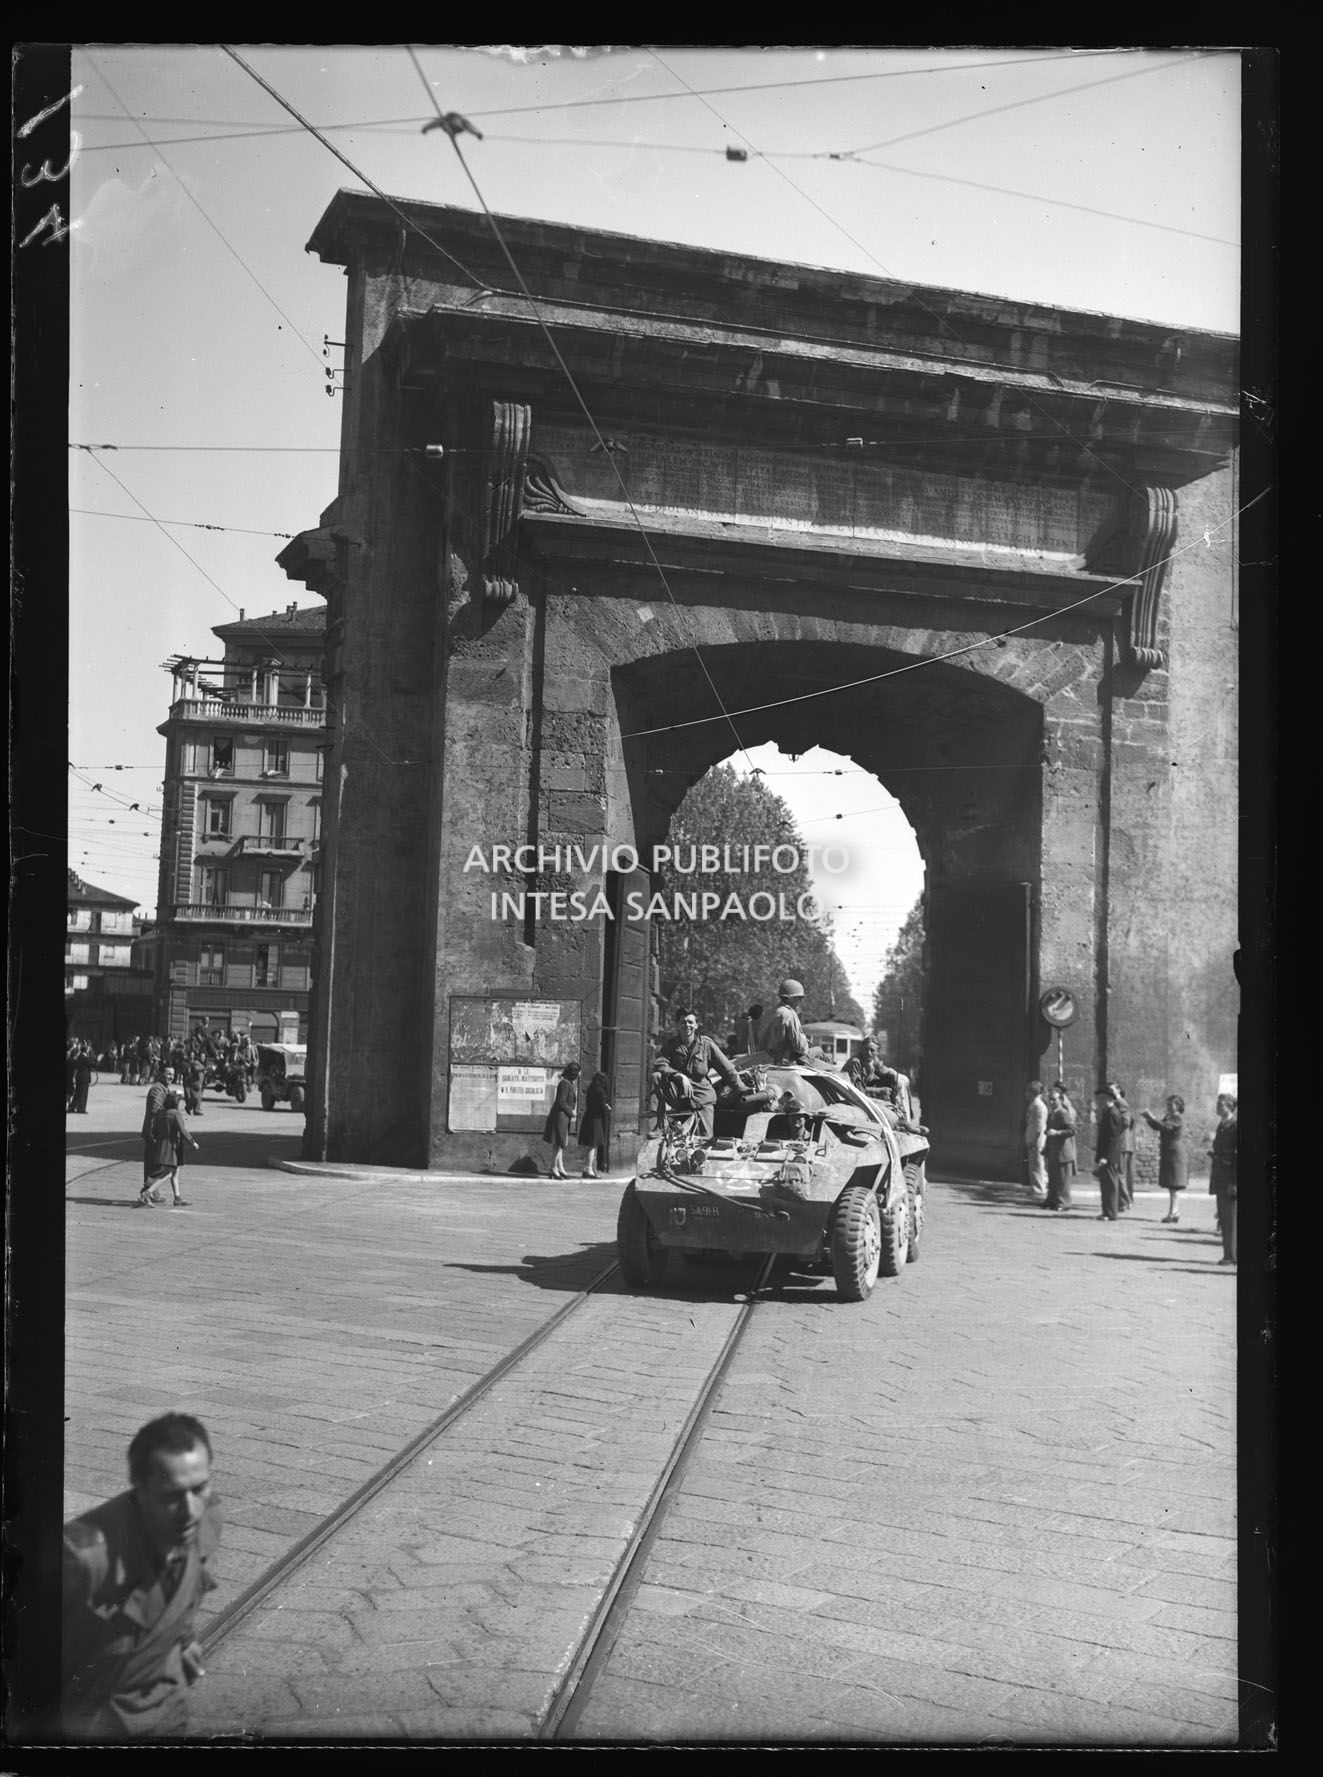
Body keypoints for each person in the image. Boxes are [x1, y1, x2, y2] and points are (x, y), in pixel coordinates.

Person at [62, 1412, 221, 1740]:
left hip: (168, 1707)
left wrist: (182, 1637)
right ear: (140, 1489)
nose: (190, 1511)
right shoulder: (82, 1559)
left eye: (200, 1488)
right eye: (171, 1496)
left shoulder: (208, 1516)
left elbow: (188, 1583)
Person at [655, 1012, 743, 1139]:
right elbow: (659, 1063)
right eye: (683, 1022)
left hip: (702, 1098)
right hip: (680, 1097)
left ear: (696, 1025)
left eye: (690, 1022)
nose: (687, 1025)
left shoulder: (706, 1044)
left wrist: (742, 1088)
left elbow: (727, 1070)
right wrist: (678, 1075)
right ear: (678, 1025)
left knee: (704, 1140)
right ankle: (659, 1123)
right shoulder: (671, 1045)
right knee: (657, 1076)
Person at [143, 1091, 198, 1207]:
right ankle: (147, 1193)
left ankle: (177, 1198)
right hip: (172, 1147)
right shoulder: (176, 1114)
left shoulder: (161, 1113)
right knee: (168, 1173)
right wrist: (192, 1142)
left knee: (175, 1172)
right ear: (176, 1103)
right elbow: (182, 1130)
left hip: (161, 1146)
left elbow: (155, 1131)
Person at [1142, 1094, 1188, 1223]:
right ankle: (1174, 1212)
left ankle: (1173, 1213)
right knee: (1172, 1185)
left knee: (1174, 1185)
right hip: (1169, 1152)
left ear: (1177, 1106)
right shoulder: (1169, 1117)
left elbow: (1165, 1127)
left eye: (1170, 1104)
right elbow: (1158, 1126)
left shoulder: (1177, 1118)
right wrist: (1148, 1119)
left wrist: (1151, 1117)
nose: (1168, 1106)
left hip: (1175, 1153)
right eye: (1167, 1104)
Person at [1208, 1092, 1237, 1265]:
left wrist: (1234, 1181)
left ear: (1229, 1107)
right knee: (1224, 1217)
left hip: (1229, 1178)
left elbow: (1237, 1156)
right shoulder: (1223, 1124)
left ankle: (1231, 1256)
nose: (1217, 1107)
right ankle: (1228, 1254)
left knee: (1230, 1218)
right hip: (1220, 1175)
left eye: (1220, 1105)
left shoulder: (1234, 1126)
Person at [138, 1068, 173, 1205]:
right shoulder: (157, 1089)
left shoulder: (163, 1088)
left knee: (155, 1163)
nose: (171, 1077)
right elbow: (155, 1109)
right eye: (168, 1074)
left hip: (157, 1131)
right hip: (154, 1132)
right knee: (154, 1163)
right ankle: (147, 1192)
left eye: (173, 1074)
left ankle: (152, 1192)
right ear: (161, 1074)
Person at [1093, 1084, 1127, 1221]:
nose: (1099, 1101)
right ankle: (1106, 1211)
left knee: (1110, 1185)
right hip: (1106, 1155)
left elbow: (1112, 1139)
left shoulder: (1112, 1113)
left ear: (1108, 1099)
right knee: (1105, 1185)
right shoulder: (1107, 1112)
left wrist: (1105, 1157)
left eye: (1101, 1098)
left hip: (1109, 1156)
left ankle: (1111, 1212)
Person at [543, 1062, 582, 1179]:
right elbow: (561, 1101)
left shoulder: (568, 1083)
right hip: (560, 1117)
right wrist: (571, 1112)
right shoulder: (564, 1084)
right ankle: (553, 1168)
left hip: (563, 1117)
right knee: (558, 1143)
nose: (580, 1074)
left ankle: (560, 1168)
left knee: (560, 1143)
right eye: (578, 1071)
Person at [757, 980, 810, 1064]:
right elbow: (801, 1048)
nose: (800, 1001)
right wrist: (806, 1043)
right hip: (783, 1060)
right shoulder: (790, 1014)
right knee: (819, 1051)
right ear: (791, 998)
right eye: (799, 998)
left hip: (765, 1058)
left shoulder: (769, 1012)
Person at [1043, 1084, 1077, 1210]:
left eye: (1054, 1099)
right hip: (1053, 1151)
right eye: (1050, 1099)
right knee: (1053, 1178)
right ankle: (1051, 1200)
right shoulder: (1052, 1113)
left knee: (1063, 1180)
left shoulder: (1063, 1113)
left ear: (1061, 1100)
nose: (1051, 1102)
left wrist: (1057, 1133)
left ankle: (1064, 1203)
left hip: (1063, 1152)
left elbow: (1073, 1130)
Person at [578, 1071, 612, 1178]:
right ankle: (589, 1169)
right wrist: (607, 1107)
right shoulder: (601, 1092)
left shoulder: (590, 1089)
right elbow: (602, 1107)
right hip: (596, 1120)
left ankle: (586, 1168)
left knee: (589, 1145)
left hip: (588, 1117)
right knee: (593, 1145)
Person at [1110, 1081, 1136, 1212]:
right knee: (1119, 1173)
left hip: (1122, 1143)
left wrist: (1112, 1128)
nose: (1110, 1092)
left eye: (1112, 1090)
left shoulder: (1120, 1102)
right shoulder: (1117, 1103)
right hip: (1121, 1143)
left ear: (1118, 1090)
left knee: (1119, 1173)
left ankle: (1125, 1201)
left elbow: (1126, 1122)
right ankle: (1123, 1201)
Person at [1024, 1080, 1048, 1201]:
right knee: (1036, 1164)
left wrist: (1034, 1140)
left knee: (1036, 1164)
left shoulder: (1038, 1106)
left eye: (1028, 1091)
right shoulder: (1034, 1104)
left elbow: (1039, 1126)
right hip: (1033, 1137)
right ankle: (1041, 1185)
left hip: (1036, 1140)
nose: (1026, 1094)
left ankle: (1038, 1188)